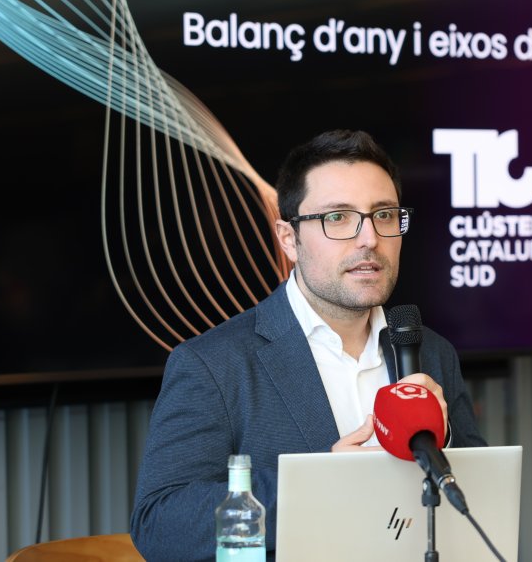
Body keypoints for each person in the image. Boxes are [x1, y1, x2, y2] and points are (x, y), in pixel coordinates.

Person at [130, 129, 485, 561]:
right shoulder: (214, 364)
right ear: (288, 239)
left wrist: (442, 444)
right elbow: (161, 523)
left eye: (384, 215)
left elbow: (481, 506)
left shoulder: (431, 352)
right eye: (338, 217)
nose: (369, 238)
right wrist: (320, 485)